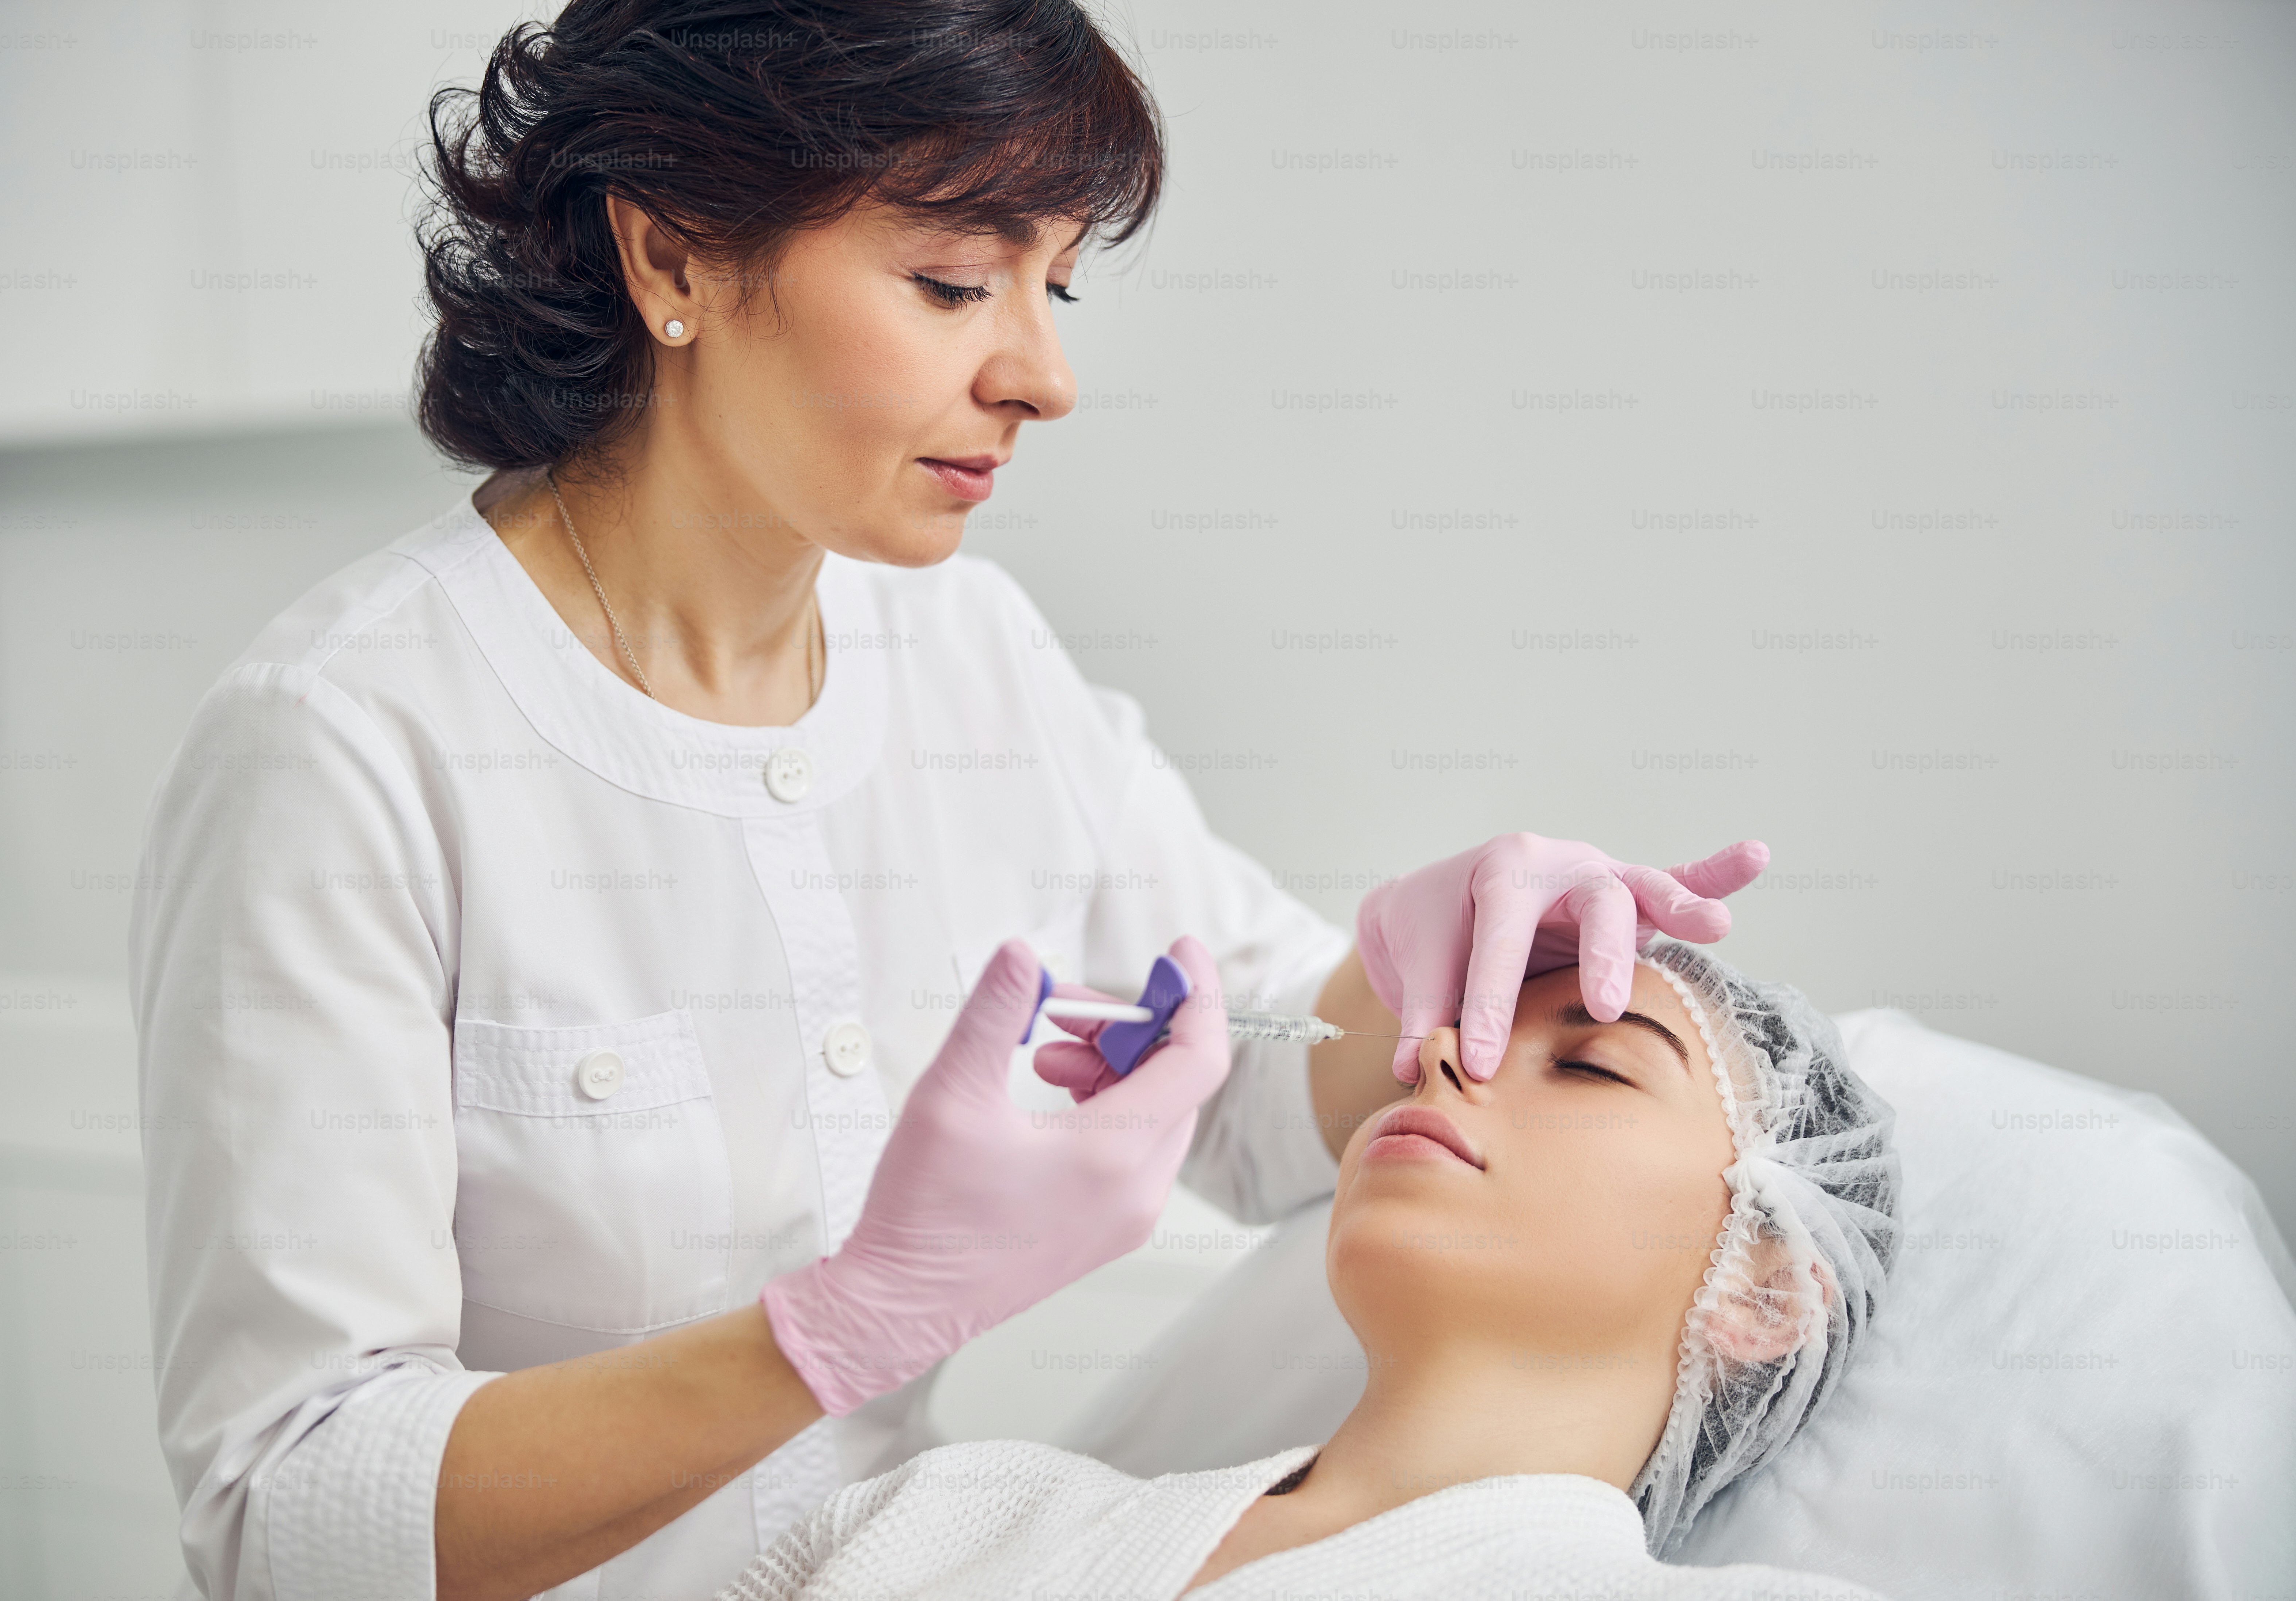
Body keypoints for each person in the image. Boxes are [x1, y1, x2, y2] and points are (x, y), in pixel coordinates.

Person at [125, 5, 1767, 1600]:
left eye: (1053, 286)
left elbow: (1241, 1080)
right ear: (674, 257)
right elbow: (289, 1524)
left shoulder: (963, 651)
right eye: (953, 283)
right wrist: (829, 1333)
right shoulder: (349, 742)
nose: (1042, 376)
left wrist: (1406, 983)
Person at [720, 940, 1902, 1599]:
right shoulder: (945, 1514)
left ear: (1768, 1290)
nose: (1437, 1054)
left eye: (1589, 1067)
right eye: (1439, 1040)